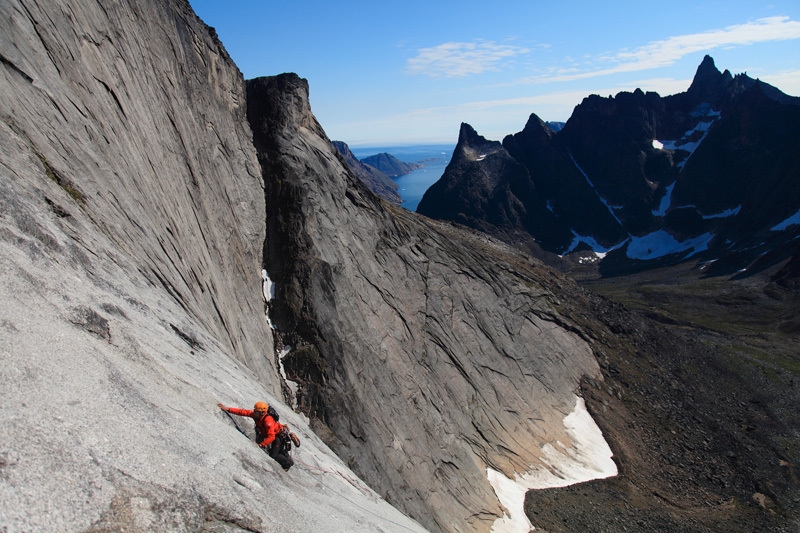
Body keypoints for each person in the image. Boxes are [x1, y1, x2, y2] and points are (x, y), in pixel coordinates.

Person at [218, 401, 300, 471]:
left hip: (279, 436)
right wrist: (228, 409)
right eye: (255, 410)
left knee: (274, 454)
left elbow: (271, 437)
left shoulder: (268, 421)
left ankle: (287, 464)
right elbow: (243, 412)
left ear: (262, 413)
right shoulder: (257, 415)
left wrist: (261, 445)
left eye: (256, 411)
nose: (254, 412)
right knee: (280, 451)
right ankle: (287, 459)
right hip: (272, 434)